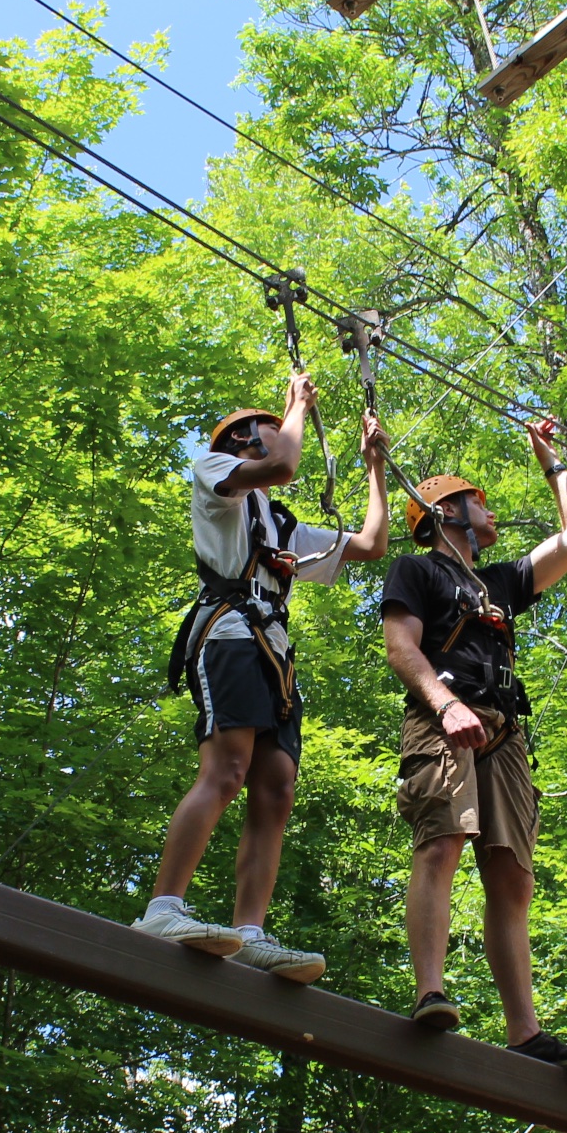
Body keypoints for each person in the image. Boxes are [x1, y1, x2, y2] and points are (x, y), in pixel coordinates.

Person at [136, 374, 391, 979]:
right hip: (227, 634)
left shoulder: (280, 525)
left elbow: (374, 544)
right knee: (227, 770)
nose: (287, 443)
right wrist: (296, 406)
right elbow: (282, 466)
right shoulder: (213, 474)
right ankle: (161, 907)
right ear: (245, 440)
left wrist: (374, 468)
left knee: (275, 789)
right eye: (275, 435)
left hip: (273, 651)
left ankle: (249, 930)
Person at [381, 417, 567, 1070]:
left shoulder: (501, 583)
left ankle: (525, 1033)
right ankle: (430, 992)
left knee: (511, 877)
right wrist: (445, 706)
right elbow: (401, 648)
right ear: (447, 510)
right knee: (444, 840)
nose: (492, 509)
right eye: (480, 500)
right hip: (443, 715)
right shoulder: (415, 571)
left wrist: (550, 456)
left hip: (504, 732)